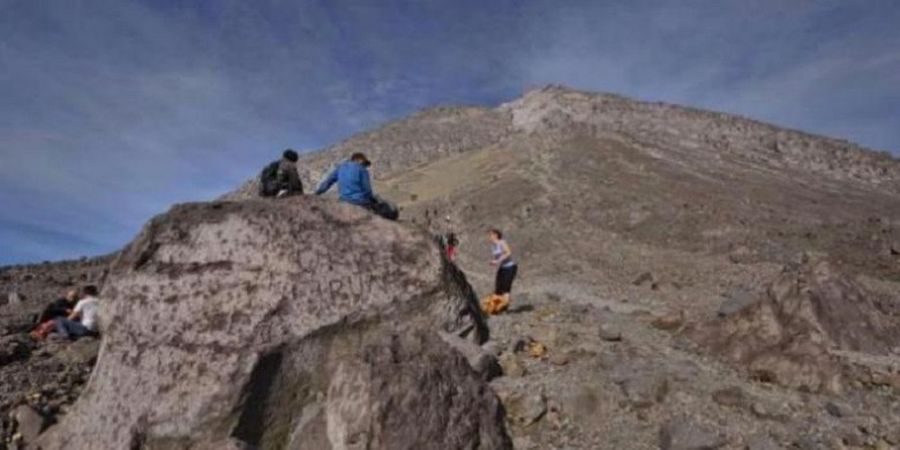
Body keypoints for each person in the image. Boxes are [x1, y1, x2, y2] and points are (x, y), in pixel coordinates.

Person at [314, 152, 398, 220]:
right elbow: (367, 190)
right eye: (365, 163)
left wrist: (316, 193)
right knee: (387, 208)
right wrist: (373, 200)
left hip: (344, 202)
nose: (365, 166)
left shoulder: (340, 168)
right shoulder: (362, 170)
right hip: (360, 203)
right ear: (359, 160)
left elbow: (327, 183)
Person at [483, 228, 517, 314]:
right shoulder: (493, 246)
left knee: (506, 287)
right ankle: (496, 305)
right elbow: (497, 257)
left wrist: (498, 261)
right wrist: (493, 262)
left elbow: (508, 252)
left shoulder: (502, 242)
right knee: (498, 286)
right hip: (502, 267)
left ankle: (504, 306)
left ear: (496, 235)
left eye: (491, 235)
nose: (489, 237)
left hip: (510, 267)